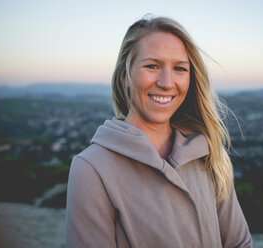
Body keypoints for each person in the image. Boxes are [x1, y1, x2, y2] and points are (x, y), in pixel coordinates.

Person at [66, 15, 252, 248]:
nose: (166, 82)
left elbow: (239, 243)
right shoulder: (91, 168)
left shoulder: (209, 154)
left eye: (180, 68)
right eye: (152, 66)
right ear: (125, 75)